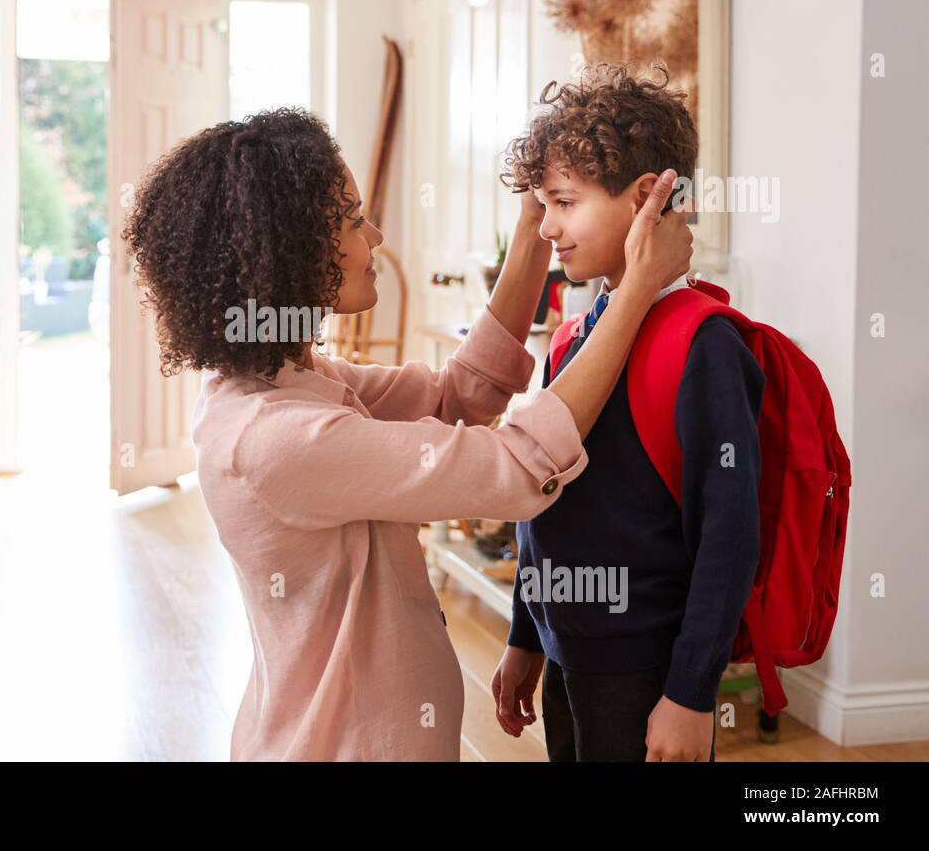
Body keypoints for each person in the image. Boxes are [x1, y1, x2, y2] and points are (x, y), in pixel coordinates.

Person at [121, 106, 692, 760]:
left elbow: (457, 398)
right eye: (351, 219)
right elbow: (518, 467)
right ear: (288, 249)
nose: (377, 234)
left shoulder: (282, 382)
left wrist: (534, 237)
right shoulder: (281, 439)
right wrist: (637, 289)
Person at [492, 65, 763, 762]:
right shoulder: (573, 341)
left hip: (648, 671)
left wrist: (692, 691)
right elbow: (540, 500)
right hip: (567, 650)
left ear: (648, 199)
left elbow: (728, 534)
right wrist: (527, 634)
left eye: (564, 202)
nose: (547, 226)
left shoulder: (704, 345)